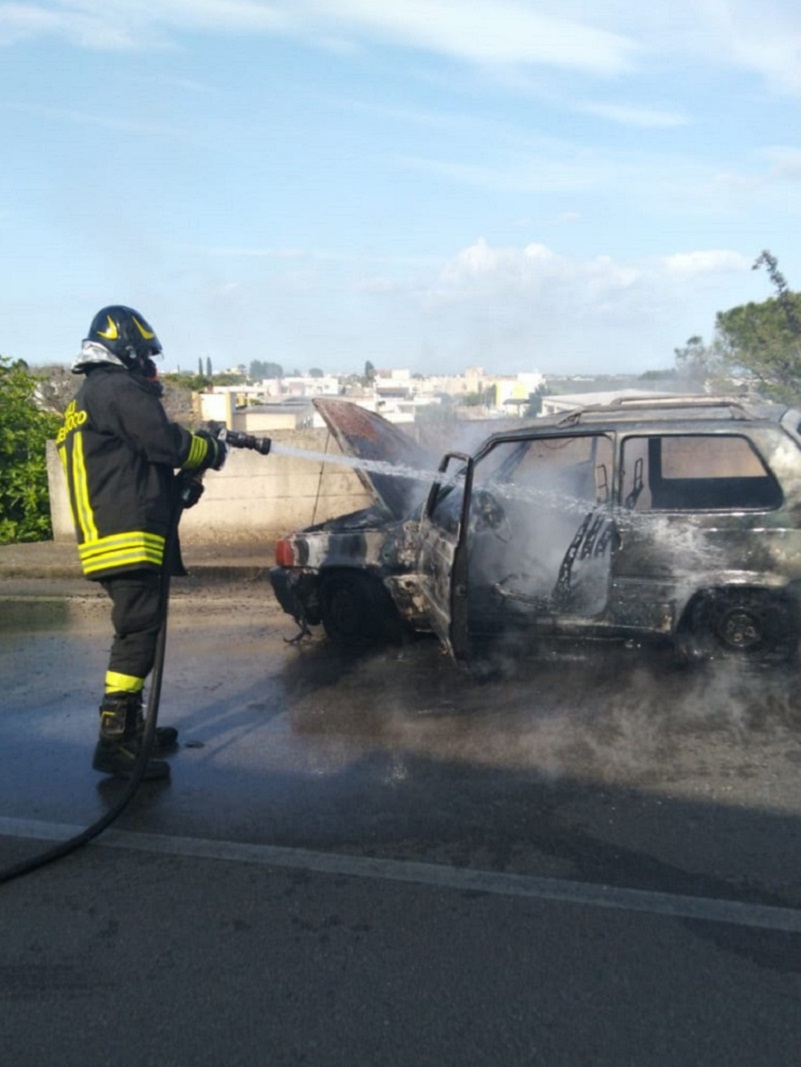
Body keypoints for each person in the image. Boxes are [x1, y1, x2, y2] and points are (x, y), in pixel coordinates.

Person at [57, 305, 227, 781]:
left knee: (140, 631)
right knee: (136, 636)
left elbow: (126, 468)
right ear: (125, 350)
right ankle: (114, 743)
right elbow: (164, 443)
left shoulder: (89, 397)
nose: (149, 366)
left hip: (112, 533)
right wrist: (210, 450)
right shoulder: (115, 388)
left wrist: (178, 489)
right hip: (125, 537)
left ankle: (133, 728)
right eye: (144, 356)